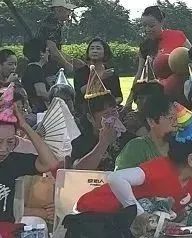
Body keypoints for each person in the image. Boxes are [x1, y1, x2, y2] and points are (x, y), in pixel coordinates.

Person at [0, 86, 58, 225]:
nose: (3, 149)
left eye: (10, 142)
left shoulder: (13, 162)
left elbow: (50, 163)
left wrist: (25, 126)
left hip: (7, 232)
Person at [70, 71, 124, 171]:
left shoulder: (127, 139)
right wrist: (103, 143)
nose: (112, 118)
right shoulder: (81, 143)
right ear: (90, 118)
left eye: (114, 112)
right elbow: (78, 171)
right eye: (106, 114)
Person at [114, 89, 175, 169]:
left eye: (179, 118)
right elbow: (121, 175)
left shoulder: (182, 145)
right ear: (151, 121)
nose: (176, 123)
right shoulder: (137, 148)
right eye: (171, 118)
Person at [74, 38, 123, 113]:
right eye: (92, 48)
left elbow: (119, 96)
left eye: (98, 48)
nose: (94, 51)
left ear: (105, 52)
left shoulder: (111, 73)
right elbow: (80, 93)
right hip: (86, 111)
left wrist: (110, 106)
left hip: (108, 111)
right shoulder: (80, 72)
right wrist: (100, 77)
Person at [38, 0, 76, 87]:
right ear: (59, 10)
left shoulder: (53, 22)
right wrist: (67, 64)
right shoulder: (52, 24)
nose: (70, 12)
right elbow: (52, 49)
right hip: (48, 70)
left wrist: (71, 60)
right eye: (68, 10)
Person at [20, 37, 50, 114]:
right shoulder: (36, 69)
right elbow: (41, 92)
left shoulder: (30, 68)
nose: (49, 54)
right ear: (41, 53)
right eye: (47, 51)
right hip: (37, 112)